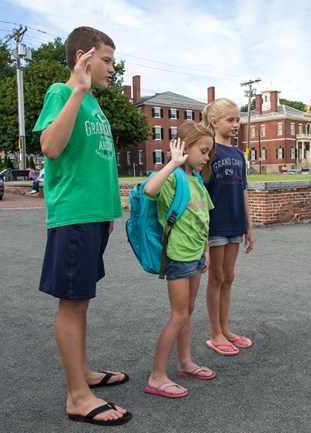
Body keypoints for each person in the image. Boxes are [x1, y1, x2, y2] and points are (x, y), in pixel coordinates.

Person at [31, 26, 130, 426]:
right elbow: (51, 148)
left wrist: (109, 214)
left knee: (81, 300)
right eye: (107, 60)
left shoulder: (95, 104)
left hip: (94, 218)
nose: (112, 68)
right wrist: (77, 89)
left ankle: (84, 374)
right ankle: (77, 396)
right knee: (71, 304)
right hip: (73, 215)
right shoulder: (62, 92)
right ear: (84, 57)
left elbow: (97, 163)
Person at [143, 122, 216, 398]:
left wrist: (206, 252)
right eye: (204, 150)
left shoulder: (197, 180)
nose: (207, 157)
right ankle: (156, 376)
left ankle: (185, 362)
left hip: (195, 256)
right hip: (178, 257)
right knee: (179, 315)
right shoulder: (174, 177)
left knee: (188, 310)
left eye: (209, 152)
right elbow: (150, 189)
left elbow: (203, 218)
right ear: (185, 147)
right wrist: (173, 163)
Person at [202, 98, 254, 356]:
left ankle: (225, 328)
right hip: (215, 224)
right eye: (230, 120)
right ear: (214, 122)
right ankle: (215, 333)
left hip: (235, 222)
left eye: (238, 120)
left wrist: (249, 226)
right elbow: (200, 190)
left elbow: (243, 191)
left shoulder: (237, 154)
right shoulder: (209, 151)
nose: (236, 124)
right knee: (217, 278)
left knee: (229, 277)